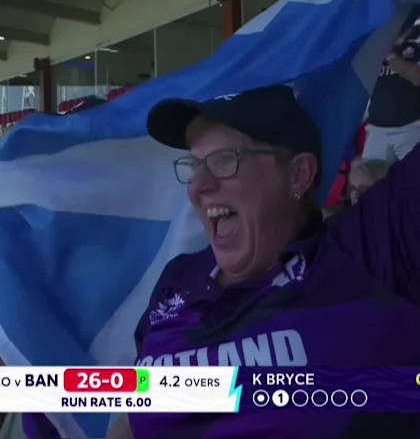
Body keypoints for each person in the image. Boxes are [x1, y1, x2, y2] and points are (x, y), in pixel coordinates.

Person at [24, 85, 420, 439]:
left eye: (224, 160)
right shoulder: (180, 280)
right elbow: (139, 406)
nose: (198, 187)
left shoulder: (367, 253)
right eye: (196, 165)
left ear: (298, 174)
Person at [363, 15, 420, 162]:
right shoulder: (376, 36)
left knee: (412, 181)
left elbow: (417, 77)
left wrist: (390, 55)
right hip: (377, 129)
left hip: (411, 128)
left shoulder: (416, 36)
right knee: (371, 181)